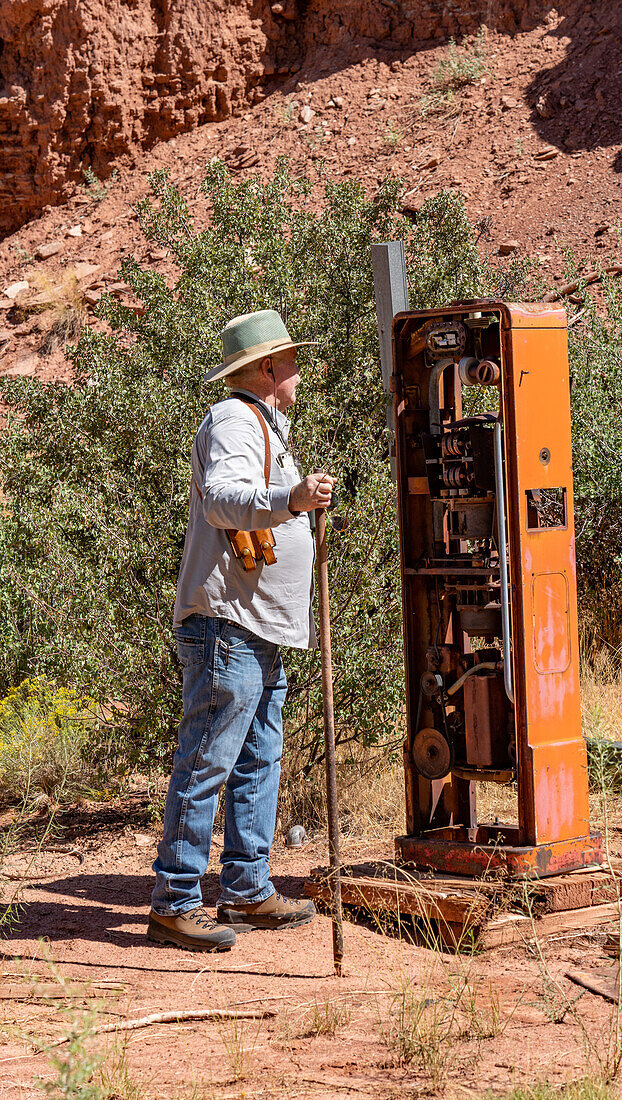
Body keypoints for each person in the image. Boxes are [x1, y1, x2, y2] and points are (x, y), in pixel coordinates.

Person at [148, 309, 334, 952]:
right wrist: (294, 499)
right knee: (210, 757)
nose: (297, 371)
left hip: (254, 625)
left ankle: (248, 889)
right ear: (266, 369)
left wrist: (295, 502)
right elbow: (225, 498)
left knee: (255, 757)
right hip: (228, 623)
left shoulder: (264, 426)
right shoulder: (234, 419)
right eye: (289, 361)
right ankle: (175, 899)